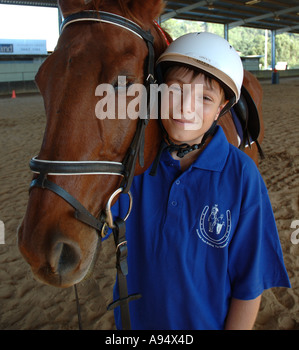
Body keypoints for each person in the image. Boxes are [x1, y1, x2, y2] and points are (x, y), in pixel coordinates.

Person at [110, 32, 290, 330]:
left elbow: (248, 286)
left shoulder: (243, 178)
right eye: (175, 90)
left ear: (221, 108)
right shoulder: (135, 166)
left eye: (205, 98)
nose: (185, 107)